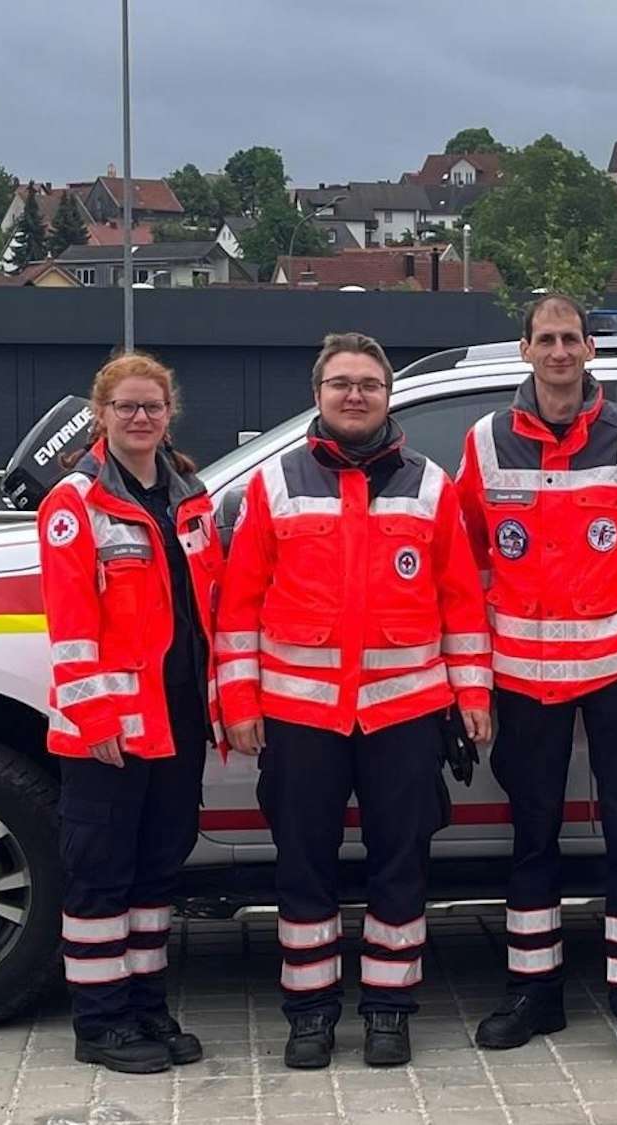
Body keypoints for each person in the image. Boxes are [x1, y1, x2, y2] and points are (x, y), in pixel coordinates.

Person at [219, 332, 494, 1070]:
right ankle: (309, 1012)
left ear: (387, 395)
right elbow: (239, 605)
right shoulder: (275, 485)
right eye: (341, 383)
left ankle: (388, 1009)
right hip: (301, 714)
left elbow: (461, 605)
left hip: (405, 714)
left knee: (399, 864)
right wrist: (239, 701)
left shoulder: (430, 486)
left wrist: (472, 692)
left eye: (369, 383)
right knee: (302, 865)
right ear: (318, 394)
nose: (355, 394)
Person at [456, 293, 617, 1071]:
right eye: (546, 338)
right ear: (523, 349)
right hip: (523, 675)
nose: (560, 351)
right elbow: (467, 561)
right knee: (532, 840)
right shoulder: (486, 441)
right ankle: (536, 992)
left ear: (590, 349)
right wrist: (475, 671)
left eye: (571, 338)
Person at [39, 351, 221, 1074]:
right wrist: (97, 720)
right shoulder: (74, 503)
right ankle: (99, 1022)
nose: (141, 418)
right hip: (109, 730)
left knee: (154, 878)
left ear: (168, 414)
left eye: (152, 407)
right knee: (100, 881)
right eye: (127, 408)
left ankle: (147, 1005)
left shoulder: (189, 495)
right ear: (101, 415)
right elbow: (70, 623)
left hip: (176, 722)